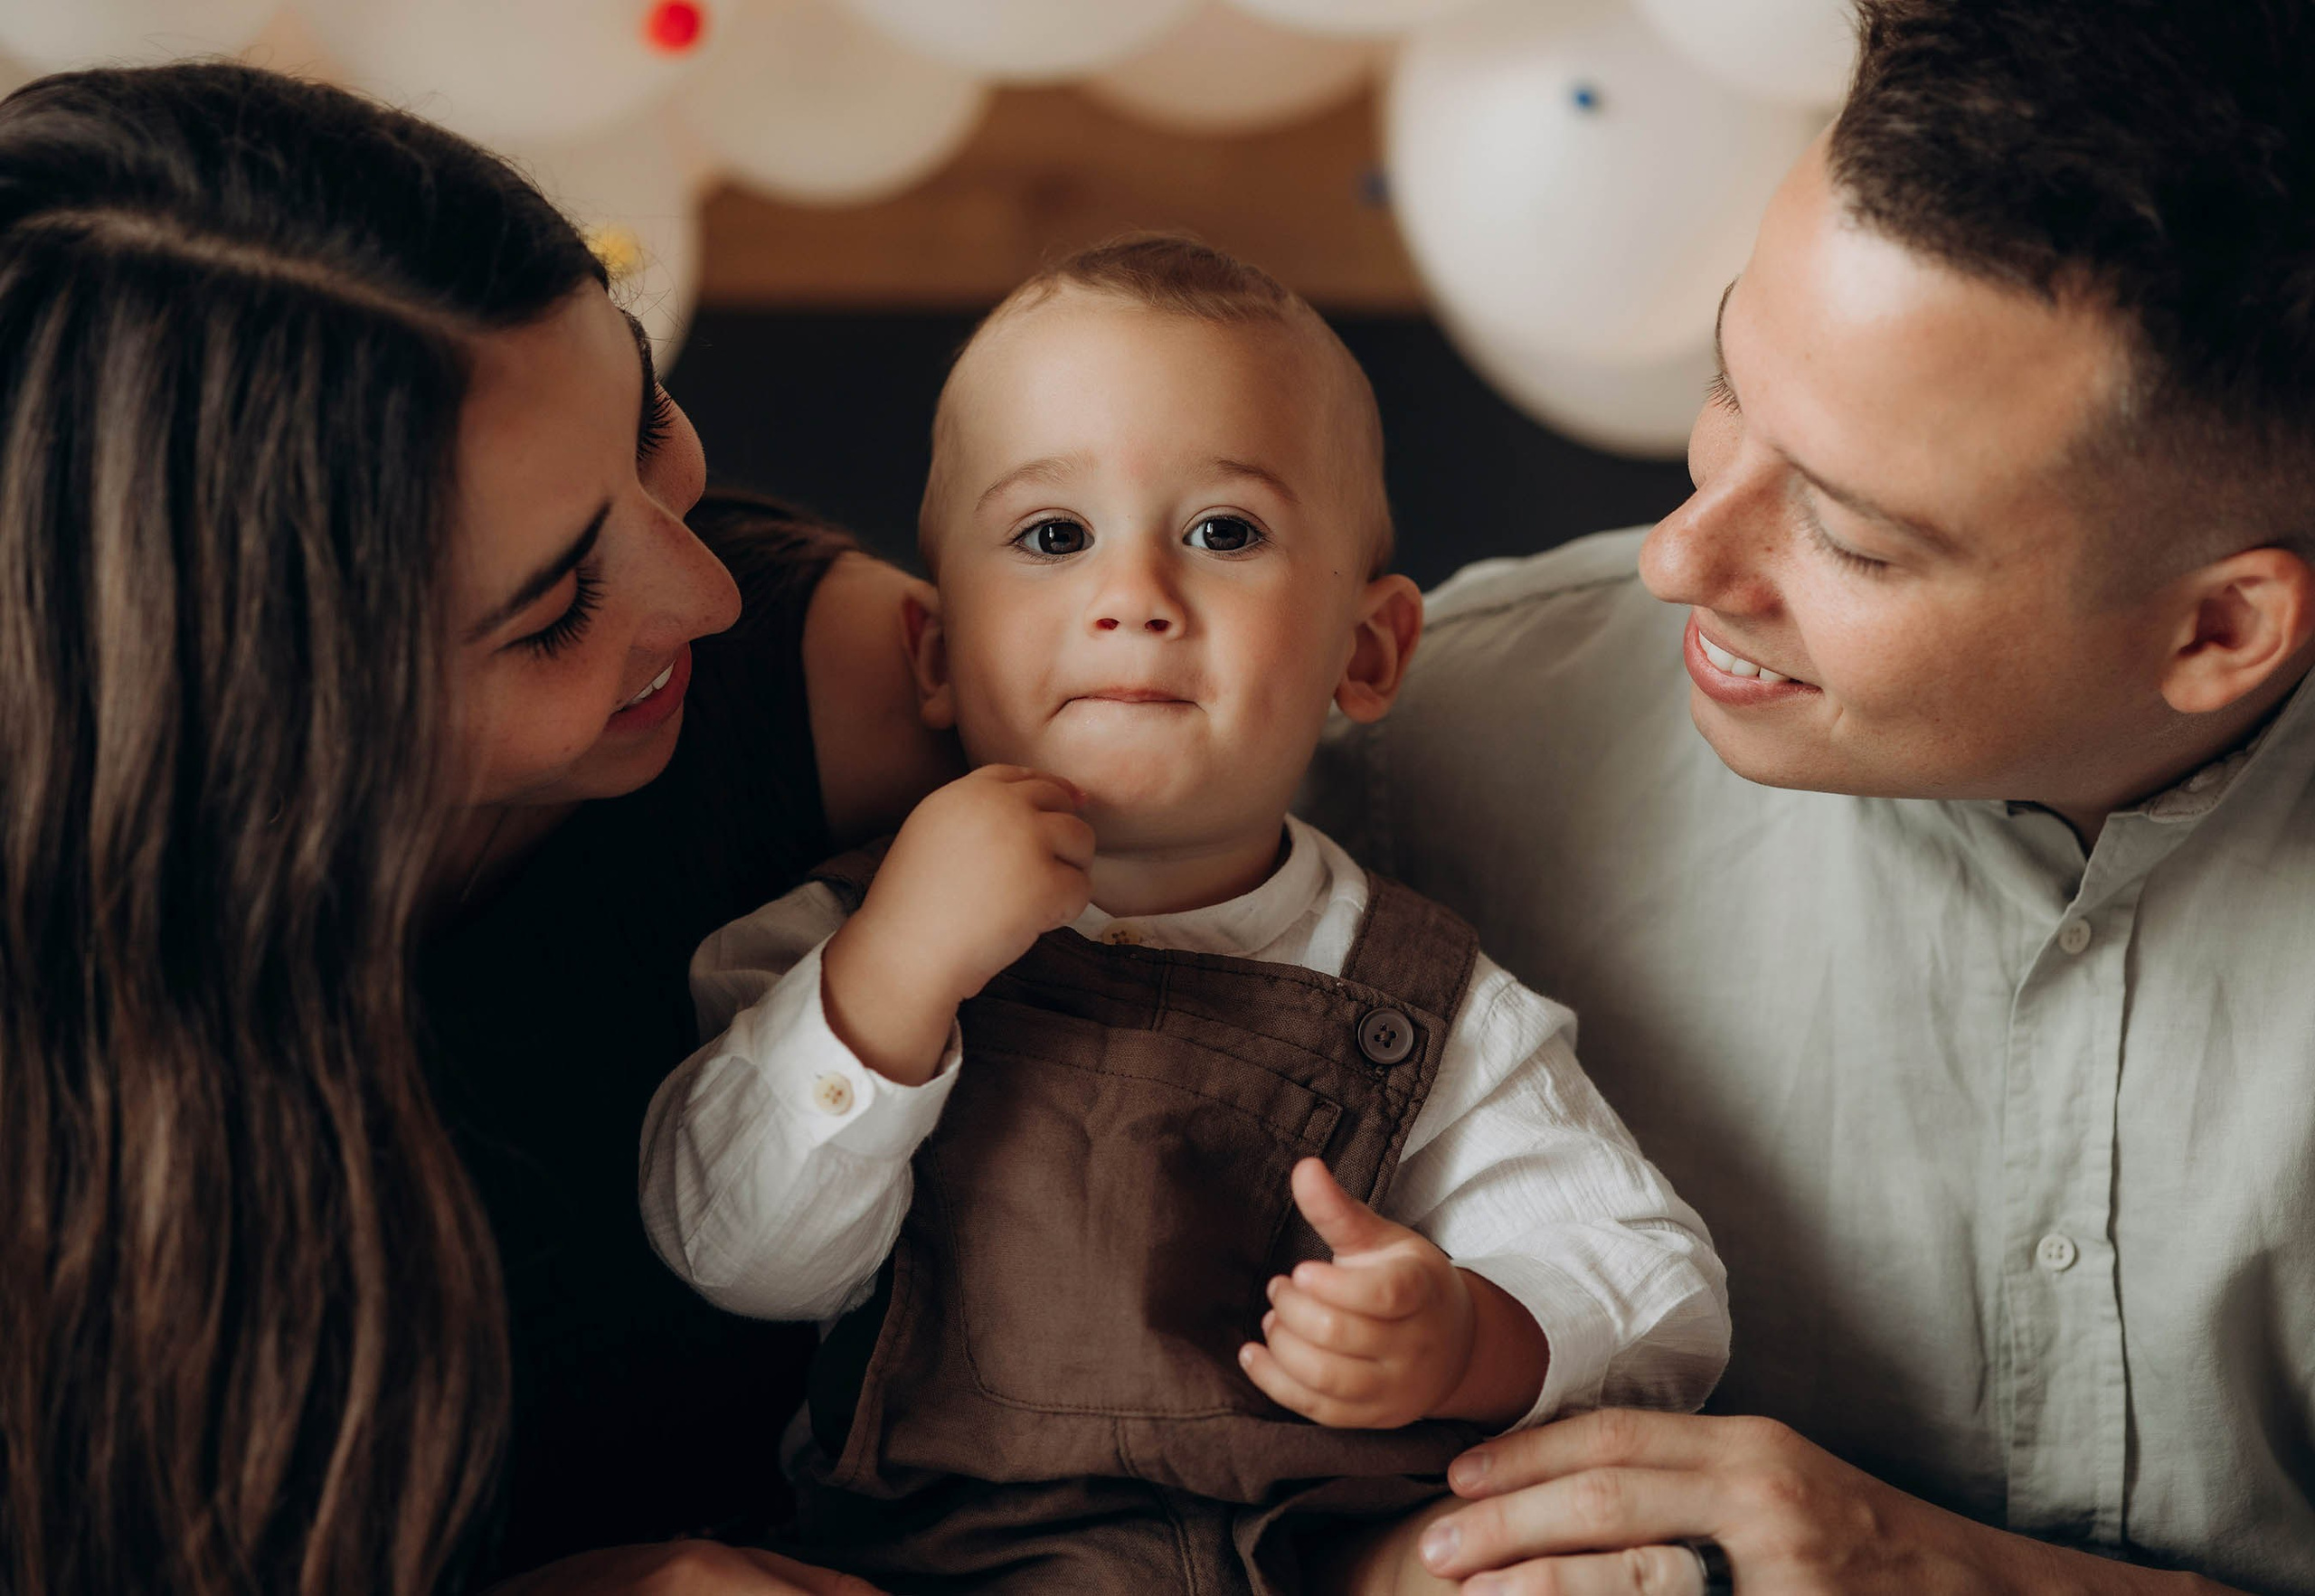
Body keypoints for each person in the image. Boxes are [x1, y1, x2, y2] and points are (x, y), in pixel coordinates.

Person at [1301, 2, 2315, 1591]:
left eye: (1850, 534)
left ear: (2220, 630)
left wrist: (1953, 1575)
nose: (1678, 555)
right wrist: (1383, 1565)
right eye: (1727, 383)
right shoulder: (1391, 768)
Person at [638, 237, 1729, 1593]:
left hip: (1318, 1557)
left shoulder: (1412, 993)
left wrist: (1475, 1335)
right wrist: (895, 971)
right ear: (937, 651)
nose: (1133, 599)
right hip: (940, 1562)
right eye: (1053, 537)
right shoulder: (837, 941)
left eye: (1225, 533)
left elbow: (1654, 1285)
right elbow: (733, 1257)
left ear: (1366, 650)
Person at [0, 61, 949, 1595]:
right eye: (557, 606)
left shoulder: (836, 690)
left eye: (646, 420)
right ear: (247, 728)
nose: (705, 590)